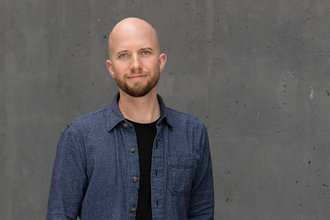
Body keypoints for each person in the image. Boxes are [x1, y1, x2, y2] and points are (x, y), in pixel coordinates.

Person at [46, 17, 214, 220]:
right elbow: (59, 216)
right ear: (111, 68)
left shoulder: (193, 133)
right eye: (124, 55)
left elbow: (202, 214)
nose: (136, 65)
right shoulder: (80, 136)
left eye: (145, 52)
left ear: (161, 62)